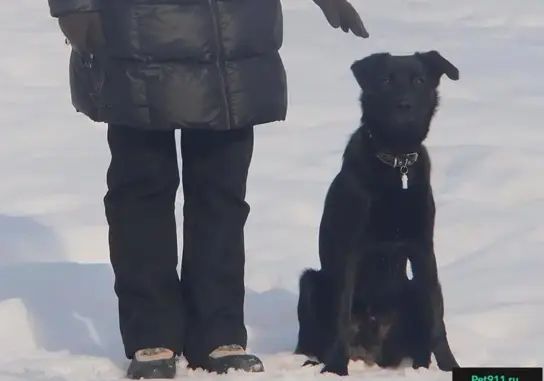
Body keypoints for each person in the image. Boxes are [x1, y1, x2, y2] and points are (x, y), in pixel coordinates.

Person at [46, 0, 368, 378]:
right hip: (134, 29)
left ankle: (218, 331)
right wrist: (75, 7)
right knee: (142, 191)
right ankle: (152, 332)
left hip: (234, 32)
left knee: (222, 194)